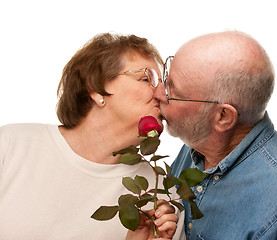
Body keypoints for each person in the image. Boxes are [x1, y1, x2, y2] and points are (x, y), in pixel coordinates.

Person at [154, 31, 277, 239]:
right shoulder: (198, 144)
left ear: (223, 116)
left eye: (172, 90)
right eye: (166, 78)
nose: (158, 92)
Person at [0, 33, 184, 240]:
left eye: (162, 84)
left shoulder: (161, 199)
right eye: (146, 78)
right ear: (97, 89)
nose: (161, 93)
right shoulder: (10, 146)